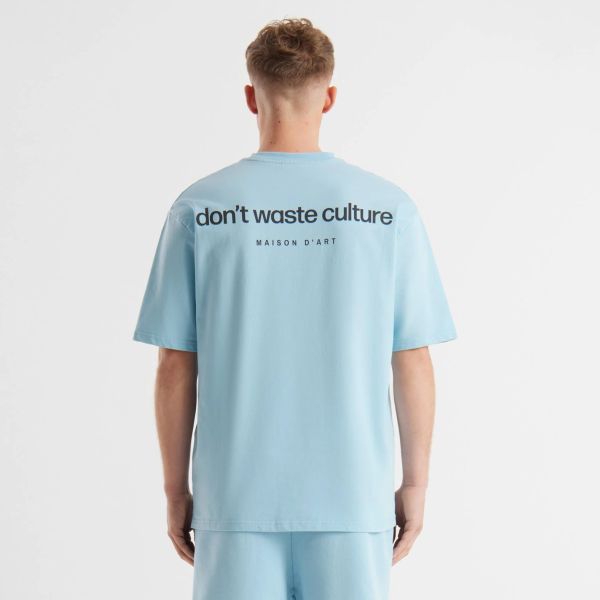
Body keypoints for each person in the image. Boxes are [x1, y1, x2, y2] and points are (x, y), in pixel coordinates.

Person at [133, 17, 457, 600]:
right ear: (329, 97)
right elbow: (411, 356)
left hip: (235, 496)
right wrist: (416, 484)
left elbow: (175, 364)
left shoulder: (200, 208)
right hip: (352, 494)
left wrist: (175, 490)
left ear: (250, 96)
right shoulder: (387, 210)